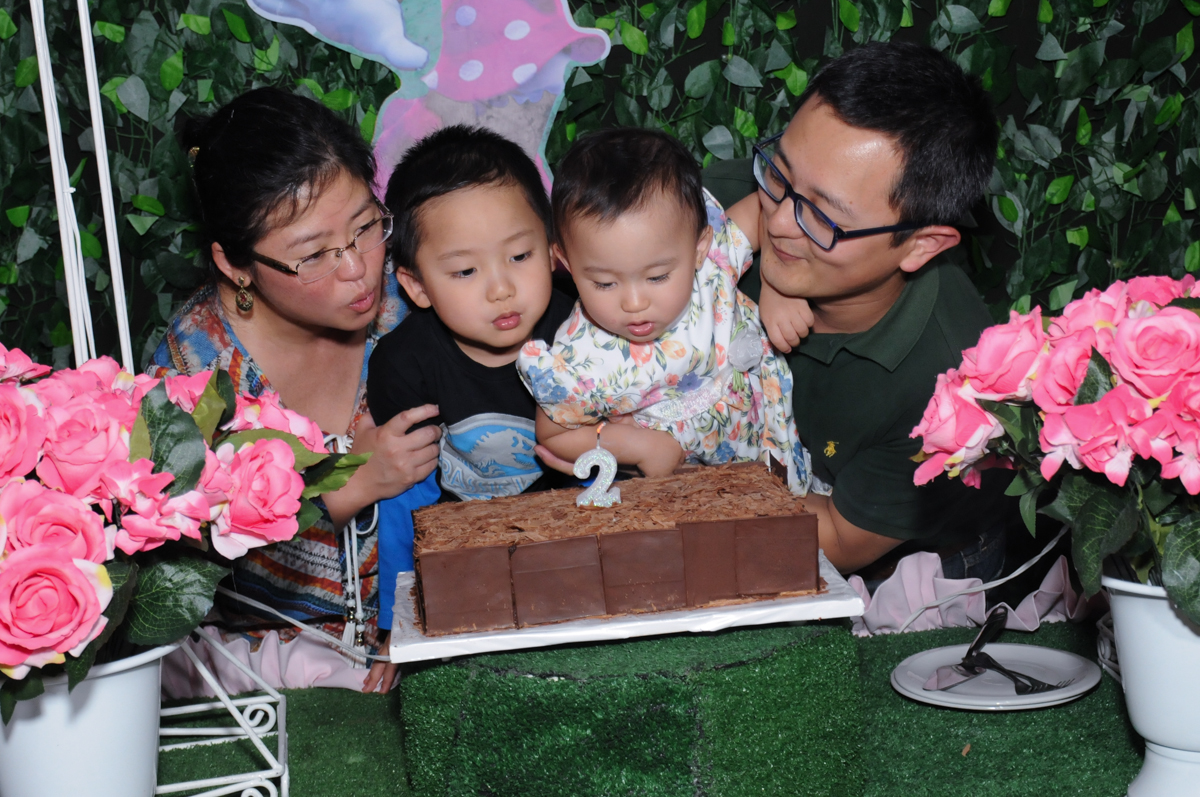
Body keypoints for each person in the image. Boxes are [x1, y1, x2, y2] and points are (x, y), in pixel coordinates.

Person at [152, 87, 438, 694]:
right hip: (265, 682)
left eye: (366, 226)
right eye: (312, 256)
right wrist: (353, 483)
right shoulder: (193, 377)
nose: (358, 267)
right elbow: (181, 573)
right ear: (236, 267)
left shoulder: (416, 297)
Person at [705, 41, 1014, 581]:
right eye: (780, 175)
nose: (777, 222)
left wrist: (687, 478)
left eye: (822, 216)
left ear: (921, 245)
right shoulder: (739, 201)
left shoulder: (949, 383)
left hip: (905, 566)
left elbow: (840, 542)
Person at [517, 128, 813, 492]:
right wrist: (639, 446)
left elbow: (762, 211)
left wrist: (777, 284)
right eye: (604, 283)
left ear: (699, 247)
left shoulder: (709, 265)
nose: (634, 303)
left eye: (657, 276)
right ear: (566, 262)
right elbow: (553, 431)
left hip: (770, 433)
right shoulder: (582, 358)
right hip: (692, 482)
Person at [365, 124, 575, 629]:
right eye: (465, 271)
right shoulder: (403, 364)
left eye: (520, 256)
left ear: (551, 249)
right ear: (415, 286)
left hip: (572, 548)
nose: (501, 289)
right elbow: (405, 498)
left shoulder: (583, 334)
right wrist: (400, 622)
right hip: (462, 558)